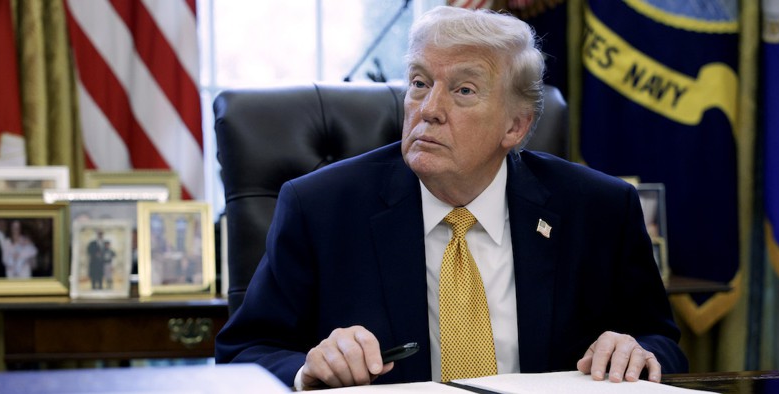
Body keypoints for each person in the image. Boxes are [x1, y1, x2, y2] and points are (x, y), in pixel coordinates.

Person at [215, 6, 687, 390]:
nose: (429, 109)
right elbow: (244, 352)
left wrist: (634, 351)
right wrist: (308, 371)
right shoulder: (320, 207)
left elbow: (660, 341)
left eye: (463, 90)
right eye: (419, 83)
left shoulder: (600, 210)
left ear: (515, 126)